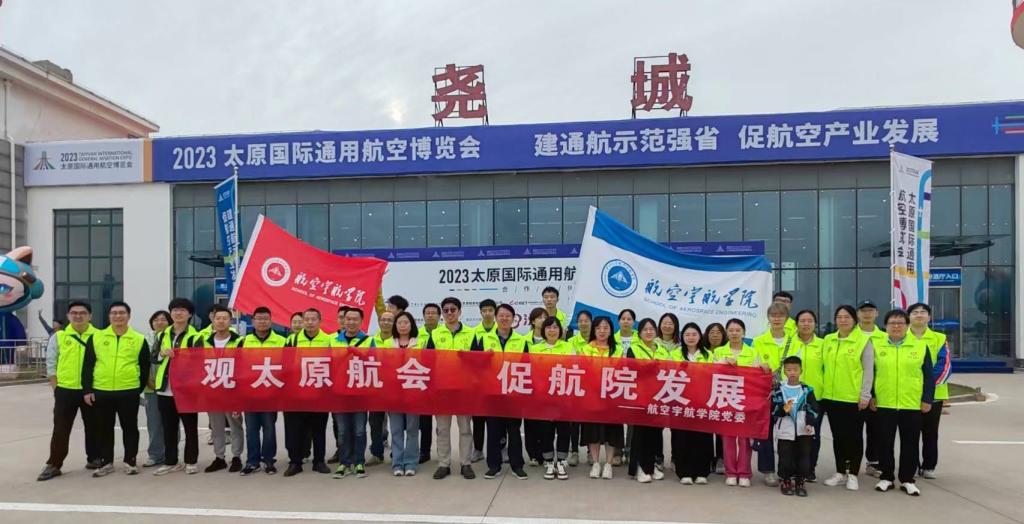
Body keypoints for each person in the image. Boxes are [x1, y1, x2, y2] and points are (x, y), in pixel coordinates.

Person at [81, 301, 149, 477]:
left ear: (129, 316)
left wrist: (137, 389)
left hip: (128, 390)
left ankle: (130, 461)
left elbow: (145, 367)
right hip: (101, 390)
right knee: (104, 428)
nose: (118, 316)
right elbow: (87, 365)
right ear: (109, 316)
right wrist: (87, 390)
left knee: (130, 427)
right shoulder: (96, 337)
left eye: (122, 313)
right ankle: (106, 462)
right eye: (114, 313)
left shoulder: (139, 339)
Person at [871, 309, 934, 496]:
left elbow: (929, 376)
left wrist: (927, 398)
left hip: (911, 404)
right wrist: (872, 395)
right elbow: (870, 373)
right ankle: (886, 477)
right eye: (892, 323)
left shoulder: (920, 346)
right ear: (885, 326)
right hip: (885, 403)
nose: (896, 326)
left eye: (900, 323)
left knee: (910, 443)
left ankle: (907, 479)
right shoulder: (876, 345)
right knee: (884, 442)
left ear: (907, 326)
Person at [38, 300, 101, 481]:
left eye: (82, 313)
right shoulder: (59, 337)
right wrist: (56, 387)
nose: (78, 316)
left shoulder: (99, 336)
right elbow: (51, 362)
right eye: (74, 313)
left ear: (90, 316)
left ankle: (95, 458)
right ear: (68, 316)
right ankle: (54, 464)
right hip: (65, 390)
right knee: (61, 428)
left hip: (91, 389)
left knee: (94, 426)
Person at [820, 305, 874, 491]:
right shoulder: (828, 339)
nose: (843, 320)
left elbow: (868, 370)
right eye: (839, 317)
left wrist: (865, 395)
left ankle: (853, 474)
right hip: (831, 397)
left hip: (853, 399)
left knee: (854, 437)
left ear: (854, 320)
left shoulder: (863, 341)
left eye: (847, 317)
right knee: (838, 437)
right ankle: (840, 471)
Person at [476, 303, 530, 481]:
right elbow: (474, 364)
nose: (504, 318)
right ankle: (494, 465)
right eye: (501, 315)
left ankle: (517, 465)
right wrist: (484, 358)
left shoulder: (521, 340)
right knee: (493, 430)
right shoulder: (483, 339)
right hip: (492, 392)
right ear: (496, 318)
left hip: (514, 392)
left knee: (514, 431)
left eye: (508, 316)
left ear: (513, 319)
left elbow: (527, 366)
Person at [426, 297, 477, 480]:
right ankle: (443, 464)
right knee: (442, 429)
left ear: (460, 312)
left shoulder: (471, 334)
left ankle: (466, 463)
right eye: (446, 310)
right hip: (442, 389)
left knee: (465, 428)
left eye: (453, 309)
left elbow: (477, 362)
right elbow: (428, 361)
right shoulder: (435, 334)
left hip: (464, 390)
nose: (449, 313)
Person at [191, 305, 246, 474]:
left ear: (230, 321)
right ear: (212, 321)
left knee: (235, 425)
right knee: (216, 426)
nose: (221, 321)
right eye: (218, 318)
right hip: (212, 390)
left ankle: (236, 457)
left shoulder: (240, 341)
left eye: (225, 318)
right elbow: (195, 363)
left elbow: (244, 366)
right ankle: (219, 457)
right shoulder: (203, 341)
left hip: (232, 390)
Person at [713, 318, 765, 487]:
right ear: (726, 333)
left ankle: (744, 472)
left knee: (744, 438)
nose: (734, 333)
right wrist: (724, 363)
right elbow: (712, 372)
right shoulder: (719, 352)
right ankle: (730, 472)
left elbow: (757, 377)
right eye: (731, 330)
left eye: (738, 330)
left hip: (746, 401)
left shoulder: (753, 352)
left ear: (743, 333)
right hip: (725, 398)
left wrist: (762, 368)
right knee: (728, 437)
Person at [152, 298, 201, 476]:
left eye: (182, 310)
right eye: (174, 310)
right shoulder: (162, 335)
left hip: (186, 389)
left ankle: (191, 461)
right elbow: (153, 357)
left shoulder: (196, 336)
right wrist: (162, 354)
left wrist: (181, 356)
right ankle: (171, 461)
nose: (178, 313)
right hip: (165, 388)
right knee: (169, 427)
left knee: (190, 427)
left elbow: (200, 360)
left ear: (189, 314)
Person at [283, 308, 333, 477]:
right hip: (296, 394)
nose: (310, 322)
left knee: (319, 429)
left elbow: (333, 365)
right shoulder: (292, 340)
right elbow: (285, 365)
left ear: (320, 321)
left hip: (319, 393)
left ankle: (319, 461)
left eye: (314, 319)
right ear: (303, 321)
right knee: (294, 430)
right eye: (307, 319)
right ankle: (295, 462)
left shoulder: (328, 340)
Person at [662, 321, 713, 485]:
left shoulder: (708, 355)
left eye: (694, 334)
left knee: (702, 437)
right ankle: (684, 472)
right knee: (682, 437)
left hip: (702, 401)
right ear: (682, 337)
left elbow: (714, 375)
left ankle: (702, 472)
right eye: (687, 334)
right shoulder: (675, 354)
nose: (691, 337)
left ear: (700, 336)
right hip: (680, 401)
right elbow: (668, 374)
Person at [239, 306, 287, 476]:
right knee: (251, 430)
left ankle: (268, 460)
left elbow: (287, 367)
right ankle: (252, 461)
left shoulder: (281, 341)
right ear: (253, 321)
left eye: (265, 318)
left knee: (269, 429)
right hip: (250, 393)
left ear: (271, 321)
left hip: (270, 393)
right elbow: (238, 367)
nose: (262, 322)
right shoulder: (243, 341)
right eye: (258, 319)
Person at [906, 302, 952, 479]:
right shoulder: (901, 337)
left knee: (930, 432)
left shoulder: (939, 338)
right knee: (909, 433)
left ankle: (929, 466)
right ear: (909, 317)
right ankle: (911, 465)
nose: (919, 315)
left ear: (929, 317)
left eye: (923, 312)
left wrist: (927, 388)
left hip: (934, 395)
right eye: (915, 312)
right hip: (908, 394)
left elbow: (944, 365)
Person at [751, 302, 792, 487]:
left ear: (786, 319)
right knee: (765, 432)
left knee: (787, 432)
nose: (777, 319)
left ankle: (786, 470)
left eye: (780, 315)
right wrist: (759, 366)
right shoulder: (759, 341)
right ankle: (768, 470)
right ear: (768, 318)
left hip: (788, 392)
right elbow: (753, 363)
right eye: (773, 315)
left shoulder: (794, 340)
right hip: (765, 393)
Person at [578, 316, 623, 480]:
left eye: (605, 328)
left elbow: (621, 371)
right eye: (598, 328)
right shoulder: (585, 349)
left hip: (612, 396)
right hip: (592, 396)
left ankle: (609, 464)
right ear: (594, 331)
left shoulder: (618, 350)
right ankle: (596, 463)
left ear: (611, 331)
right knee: (593, 430)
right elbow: (583, 371)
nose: (602, 331)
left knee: (611, 431)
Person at [331, 306, 373, 479]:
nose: (351, 322)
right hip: (339, 393)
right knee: (342, 431)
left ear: (361, 321)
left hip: (360, 393)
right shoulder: (333, 340)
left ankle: (359, 462)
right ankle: (344, 463)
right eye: (348, 319)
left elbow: (375, 363)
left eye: (355, 319)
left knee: (359, 430)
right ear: (343, 320)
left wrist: (361, 356)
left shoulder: (369, 341)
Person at [529, 316, 572, 480]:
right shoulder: (535, 349)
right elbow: (531, 372)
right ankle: (548, 461)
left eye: (555, 327)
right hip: (543, 397)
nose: (552, 330)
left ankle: (561, 460)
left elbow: (575, 369)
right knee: (545, 430)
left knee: (563, 430)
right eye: (548, 327)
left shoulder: (568, 347)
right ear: (543, 330)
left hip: (563, 396)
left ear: (560, 330)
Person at [772, 356, 820, 497]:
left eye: (795, 369)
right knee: (785, 456)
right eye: (789, 370)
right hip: (785, 429)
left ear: (801, 371)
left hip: (804, 430)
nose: (792, 372)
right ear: (784, 372)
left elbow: (814, 409)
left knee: (804, 456)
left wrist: (810, 422)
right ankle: (785, 480)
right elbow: (773, 408)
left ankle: (800, 481)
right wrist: (783, 410)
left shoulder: (807, 390)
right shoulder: (779, 389)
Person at [626, 318, 665, 483]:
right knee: (640, 434)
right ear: (639, 333)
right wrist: (648, 367)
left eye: (651, 329)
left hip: (659, 397)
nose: (649, 332)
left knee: (654, 433)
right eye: (645, 329)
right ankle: (638, 467)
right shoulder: (633, 349)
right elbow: (631, 370)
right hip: (640, 396)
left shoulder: (662, 350)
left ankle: (650, 465)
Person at [790, 309, 825, 481]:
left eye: (809, 320)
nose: (806, 324)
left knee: (812, 434)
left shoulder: (823, 344)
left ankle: (810, 469)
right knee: (792, 434)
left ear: (815, 324)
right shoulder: (789, 343)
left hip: (815, 397)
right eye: (802, 321)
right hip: (792, 396)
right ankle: (792, 468)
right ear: (796, 324)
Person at [854, 300, 885, 477]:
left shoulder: (884, 337)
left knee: (875, 430)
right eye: (863, 310)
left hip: (877, 392)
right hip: (853, 391)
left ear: (876, 313)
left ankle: (873, 462)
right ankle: (851, 465)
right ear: (858, 314)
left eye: (870, 310)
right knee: (854, 431)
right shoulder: (851, 335)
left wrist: (874, 393)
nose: (867, 313)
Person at [388, 311, 421, 477]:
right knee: (396, 430)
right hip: (393, 393)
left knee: (412, 430)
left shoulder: (420, 343)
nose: (402, 326)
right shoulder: (388, 343)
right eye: (399, 323)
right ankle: (397, 463)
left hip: (413, 392)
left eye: (406, 322)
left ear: (411, 325)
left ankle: (411, 462)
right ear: (395, 325)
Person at [470, 299, 498, 464]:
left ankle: (501, 448)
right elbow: (472, 359)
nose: (487, 313)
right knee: (478, 418)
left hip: (497, 382)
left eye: (490, 310)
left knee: (498, 419)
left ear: (494, 312)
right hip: (479, 384)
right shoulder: (474, 333)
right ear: (480, 312)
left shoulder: (501, 330)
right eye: (484, 310)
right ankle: (478, 449)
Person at [142, 310, 171, 468]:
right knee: (153, 423)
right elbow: (141, 362)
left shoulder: (173, 338)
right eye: (156, 320)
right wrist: (147, 380)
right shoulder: (144, 339)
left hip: (169, 387)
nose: (159, 322)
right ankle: (155, 455)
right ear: (152, 323)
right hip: (151, 386)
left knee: (170, 422)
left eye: (163, 319)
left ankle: (171, 453)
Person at [566, 309, 593, 466]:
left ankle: (590, 452)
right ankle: (574, 451)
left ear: (591, 322)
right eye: (580, 321)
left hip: (592, 386)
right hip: (575, 384)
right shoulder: (571, 341)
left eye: (586, 321)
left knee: (589, 420)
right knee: (574, 421)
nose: (583, 323)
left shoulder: (597, 340)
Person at [367, 310, 393, 467]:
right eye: (383, 320)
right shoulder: (370, 340)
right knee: (375, 422)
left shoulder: (398, 341)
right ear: (379, 321)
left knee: (396, 423)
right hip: (375, 388)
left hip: (394, 388)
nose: (386, 323)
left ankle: (396, 454)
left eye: (390, 320)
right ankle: (377, 453)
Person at [523, 307, 547, 467]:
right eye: (539, 317)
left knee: (544, 423)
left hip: (546, 386)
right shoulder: (523, 340)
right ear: (532, 321)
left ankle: (544, 453)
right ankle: (532, 454)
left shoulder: (551, 339)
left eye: (545, 317)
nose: (542, 320)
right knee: (530, 422)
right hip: (529, 386)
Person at [417, 302, 441, 464]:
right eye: (428, 313)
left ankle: (442, 454)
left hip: (441, 382)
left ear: (439, 316)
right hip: (422, 381)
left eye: (433, 313)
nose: (430, 315)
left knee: (442, 422)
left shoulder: (443, 333)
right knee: (424, 421)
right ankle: (424, 451)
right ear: (424, 316)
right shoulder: (416, 334)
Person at [613, 309, 636, 467]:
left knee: (632, 418)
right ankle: (617, 451)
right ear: (619, 321)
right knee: (617, 417)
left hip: (635, 382)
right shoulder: (612, 338)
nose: (626, 321)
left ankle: (629, 450)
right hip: (616, 380)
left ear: (633, 322)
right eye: (623, 318)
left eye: (629, 319)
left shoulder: (639, 338)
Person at [703, 321, 727, 475]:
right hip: (703, 394)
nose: (715, 335)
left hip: (721, 393)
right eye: (712, 332)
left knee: (720, 429)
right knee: (705, 428)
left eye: (718, 332)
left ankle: (720, 458)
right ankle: (706, 459)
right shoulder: (702, 351)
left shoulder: (727, 351)